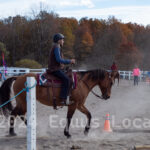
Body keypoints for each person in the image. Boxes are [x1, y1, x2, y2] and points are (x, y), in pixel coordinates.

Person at [48, 33, 75, 105]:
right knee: (66, 79)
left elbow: (59, 61)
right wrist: (70, 61)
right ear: (59, 40)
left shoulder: (56, 47)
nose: (63, 41)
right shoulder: (56, 47)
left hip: (56, 68)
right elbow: (59, 60)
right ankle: (63, 99)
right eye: (62, 40)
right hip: (54, 69)